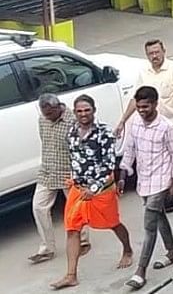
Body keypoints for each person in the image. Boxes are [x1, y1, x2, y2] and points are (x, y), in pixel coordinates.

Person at [51, 95, 133, 291]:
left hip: (101, 190)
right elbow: (74, 159)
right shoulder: (71, 133)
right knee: (72, 229)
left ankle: (128, 250)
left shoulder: (104, 133)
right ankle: (71, 275)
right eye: (79, 111)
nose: (83, 114)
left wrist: (94, 188)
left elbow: (108, 165)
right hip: (78, 190)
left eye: (87, 110)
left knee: (113, 223)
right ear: (75, 112)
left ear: (94, 110)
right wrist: (74, 179)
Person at [118, 86, 173, 291]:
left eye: (145, 106)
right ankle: (172, 252)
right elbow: (129, 149)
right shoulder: (135, 122)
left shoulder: (167, 127)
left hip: (161, 181)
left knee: (149, 225)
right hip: (143, 181)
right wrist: (122, 174)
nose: (142, 110)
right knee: (159, 216)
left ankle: (140, 271)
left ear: (155, 104)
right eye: (138, 107)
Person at [117, 39, 173, 214]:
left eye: (157, 52)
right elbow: (136, 100)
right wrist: (123, 121)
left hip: (171, 127)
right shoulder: (144, 72)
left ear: (164, 51)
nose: (154, 56)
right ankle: (165, 202)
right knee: (160, 169)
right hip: (151, 129)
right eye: (151, 53)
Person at [30, 94, 87, 265]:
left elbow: (80, 149)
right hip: (47, 170)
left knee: (75, 208)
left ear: (57, 108)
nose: (46, 117)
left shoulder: (72, 121)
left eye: (49, 113)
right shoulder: (42, 120)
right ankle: (47, 248)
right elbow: (44, 142)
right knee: (38, 206)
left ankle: (83, 241)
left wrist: (79, 173)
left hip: (68, 172)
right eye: (44, 113)